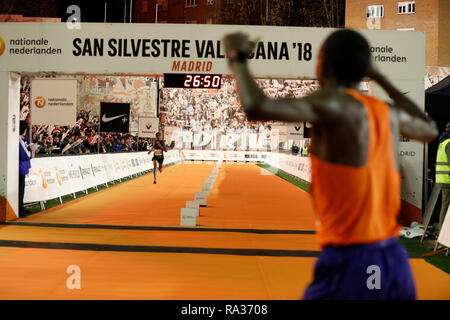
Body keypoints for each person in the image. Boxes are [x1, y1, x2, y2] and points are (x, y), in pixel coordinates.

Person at [223, 29, 438, 300]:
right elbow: (429, 129)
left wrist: (237, 58)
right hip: (393, 258)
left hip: (353, 257)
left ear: (323, 65)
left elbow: (255, 106)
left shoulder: (330, 105)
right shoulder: (386, 112)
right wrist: (381, 77)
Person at [436, 121, 450, 232]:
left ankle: (442, 233)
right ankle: (443, 234)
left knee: (444, 206)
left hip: (443, 179)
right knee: (445, 207)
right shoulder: (449, 143)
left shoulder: (442, 142)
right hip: (448, 180)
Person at [19, 121, 31, 218]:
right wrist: (31, 151)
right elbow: (26, 155)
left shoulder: (22, 139)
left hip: (22, 167)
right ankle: (19, 209)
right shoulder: (19, 140)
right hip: (20, 168)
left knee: (21, 189)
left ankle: (21, 208)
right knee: (20, 189)